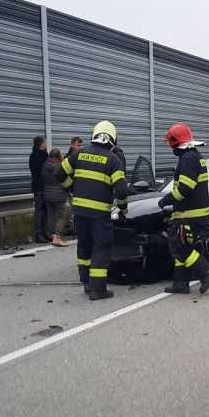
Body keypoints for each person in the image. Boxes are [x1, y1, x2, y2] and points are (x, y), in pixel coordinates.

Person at [56, 120, 128, 300]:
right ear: (112, 139)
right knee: (101, 248)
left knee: (84, 245)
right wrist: (123, 207)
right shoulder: (113, 160)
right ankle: (98, 289)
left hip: (79, 212)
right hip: (99, 214)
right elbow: (121, 189)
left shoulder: (79, 154)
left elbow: (59, 173)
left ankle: (87, 283)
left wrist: (71, 187)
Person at [159, 122, 209, 295]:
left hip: (188, 215)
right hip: (191, 214)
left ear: (176, 143)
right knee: (180, 245)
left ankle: (206, 272)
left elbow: (185, 188)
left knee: (180, 247)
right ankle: (180, 283)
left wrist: (166, 200)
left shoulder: (188, 159)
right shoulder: (194, 157)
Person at [42, 148, 69, 246]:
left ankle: (53, 237)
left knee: (51, 216)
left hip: (47, 194)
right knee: (61, 216)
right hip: (59, 194)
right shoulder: (59, 167)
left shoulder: (44, 166)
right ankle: (57, 237)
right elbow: (64, 180)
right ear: (58, 156)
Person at [29, 135, 49, 243]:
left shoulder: (44, 154)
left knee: (46, 211)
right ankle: (38, 234)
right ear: (41, 144)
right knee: (39, 211)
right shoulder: (35, 156)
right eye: (44, 142)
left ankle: (45, 232)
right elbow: (39, 171)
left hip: (46, 187)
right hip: (38, 187)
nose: (46, 144)